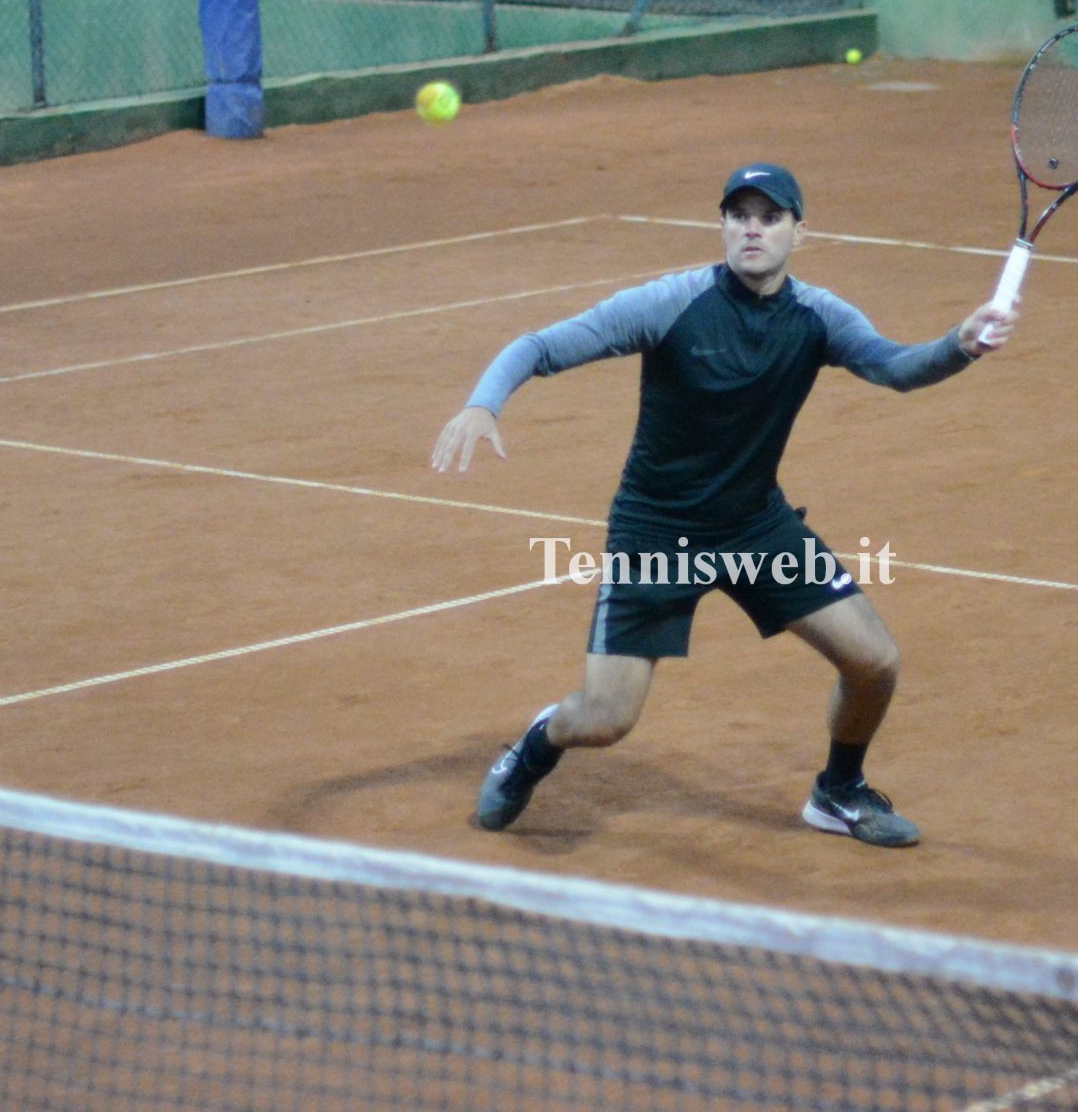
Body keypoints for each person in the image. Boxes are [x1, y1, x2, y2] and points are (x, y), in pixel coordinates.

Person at [430, 163, 1016, 849]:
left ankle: (838, 791)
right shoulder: (671, 304)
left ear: (800, 231)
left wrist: (960, 345)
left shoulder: (820, 317)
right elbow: (541, 346)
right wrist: (483, 401)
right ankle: (534, 748)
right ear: (722, 227)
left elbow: (895, 367)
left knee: (874, 662)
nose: (752, 229)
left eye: (770, 217)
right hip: (658, 532)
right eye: (738, 215)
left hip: (754, 528)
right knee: (605, 718)